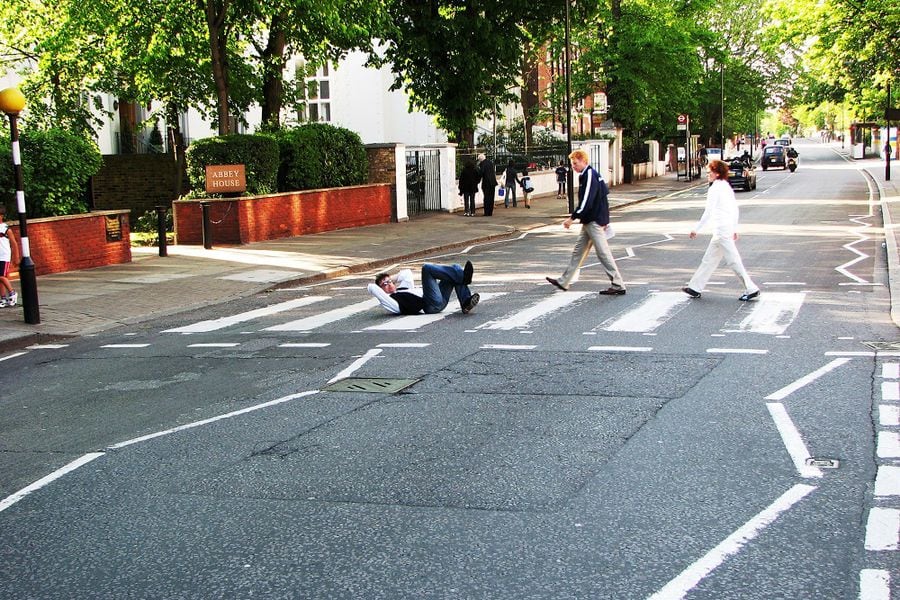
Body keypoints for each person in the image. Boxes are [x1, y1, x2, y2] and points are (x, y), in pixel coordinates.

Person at [545, 148, 626, 296]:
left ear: (584, 161)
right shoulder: (588, 175)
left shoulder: (589, 175)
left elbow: (587, 201)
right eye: (572, 164)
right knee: (578, 252)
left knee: (603, 253)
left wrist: (572, 217)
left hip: (594, 220)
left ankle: (618, 283)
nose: (573, 166)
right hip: (590, 220)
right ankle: (564, 281)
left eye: (575, 163)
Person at [682, 159, 760, 302]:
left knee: (733, 260)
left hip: (721, 230)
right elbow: (734, 209)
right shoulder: (726, 186)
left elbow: (708, 211)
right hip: (724, 229)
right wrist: (734, 228)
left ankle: (751, 288)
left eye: (710, 172)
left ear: (717, 173)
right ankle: (695, 287)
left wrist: (696, 229)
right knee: (709, 260)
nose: (707, 174)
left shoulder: (715, 188)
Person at [368, 261, 480, 315]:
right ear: (381, 290)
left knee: (455, 268)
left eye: (390, 282)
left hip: (439, 299)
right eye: (385, 284)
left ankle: (465, 303)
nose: (389, 284)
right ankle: (463, 278)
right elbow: (372, 287)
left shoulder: (402, 289)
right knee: (427, 268)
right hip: (429, 305)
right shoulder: (392, 301)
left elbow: (406, 273)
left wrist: (388, 277)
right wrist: (379, 285)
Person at [0, 218, 18, 308]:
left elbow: (14, 243)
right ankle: (3, 298)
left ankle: (12, 293)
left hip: (4, 256)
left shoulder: (6, 228)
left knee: (2, 276)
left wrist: (16, 257)